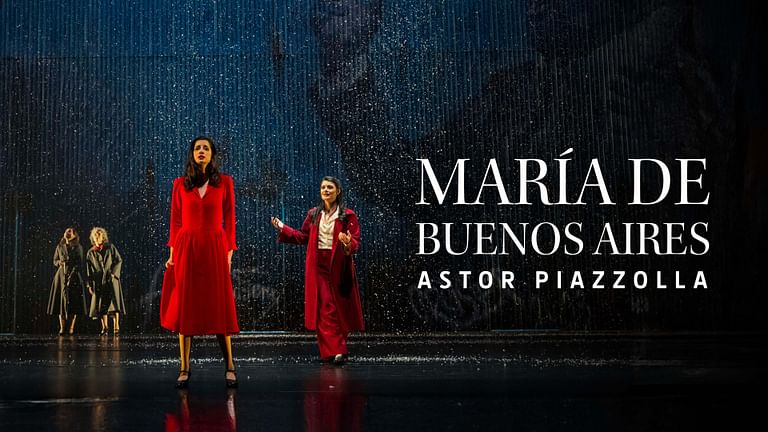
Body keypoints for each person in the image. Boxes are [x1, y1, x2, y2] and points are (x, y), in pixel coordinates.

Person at [160, 136, 239, 389]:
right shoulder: (179, 184)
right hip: (187, 247)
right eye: (197, 148)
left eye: (206, 148)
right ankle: (184, 367)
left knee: (219, 304)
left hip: (215, 246)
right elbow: (175, 221)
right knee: (187, 305)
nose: (201, 151)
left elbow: (230, 219)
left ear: (212, 154)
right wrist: (172, 254)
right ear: (192, 154)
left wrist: (229, 253)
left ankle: (230, 366)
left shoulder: (225, 182)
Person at [271, 176, 364, 365]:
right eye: (323, 187)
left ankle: (332, 350)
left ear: (338, 191)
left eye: (330, 187)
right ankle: (336, 350)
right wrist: (283, 228)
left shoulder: (348, 215)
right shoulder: (314, 214)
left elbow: (355, 241)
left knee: (338, 308)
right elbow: (303, 236)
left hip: (339, 265)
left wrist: (348, 242)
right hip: (318, 266)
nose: (326, 190)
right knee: (324, 307)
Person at [47, 227, 88, 335]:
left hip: (74, 276)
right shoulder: (60, 246)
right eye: (66, 231)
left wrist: (72, 273)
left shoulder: (78, 247)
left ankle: (71, 327)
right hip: (61, 276)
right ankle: (62, 327)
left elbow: (79, 262)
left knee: (73, 303)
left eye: (70, 231)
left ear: (75, 235)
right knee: (61, 302)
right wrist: (60, 263)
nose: (68, 232)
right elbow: (55, 260)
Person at [86, 227, 126, 335]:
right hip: (99, 281)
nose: (97, 237)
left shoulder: (110, 247)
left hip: (111, 279)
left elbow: (119, 260)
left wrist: (114, 273)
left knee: (114, 303)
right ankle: (105, 327)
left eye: (99, 235)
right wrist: (89, 285)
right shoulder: (90, 252)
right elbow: (89, 270)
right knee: (101, 305)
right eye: (95, 236)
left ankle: (116, 326)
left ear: (103, 237)